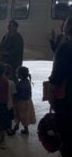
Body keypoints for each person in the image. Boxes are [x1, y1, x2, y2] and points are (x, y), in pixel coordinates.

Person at [48, 17, 72, 157]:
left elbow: (55, 77)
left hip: (67, 100)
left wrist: (52, 98)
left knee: (67, 139)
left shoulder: (65, 46)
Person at [13, 66, 36, 134]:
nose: (16, 74)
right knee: (25, 116)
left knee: (19, 115)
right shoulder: (28, 81)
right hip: (28, 101)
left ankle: (16, 127)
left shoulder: (20, 84)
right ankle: (25, 129)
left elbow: (19, 94)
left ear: (20, 75)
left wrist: (14, 98)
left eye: (17, 73)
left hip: (21, 102)